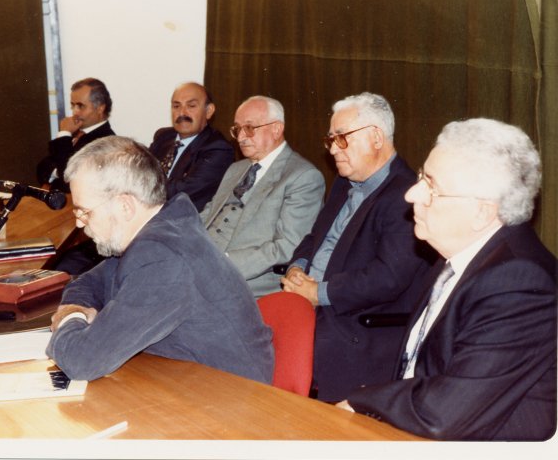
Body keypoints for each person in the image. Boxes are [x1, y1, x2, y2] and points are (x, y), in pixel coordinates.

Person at [338, 118, 557, 441]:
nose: (412, 194)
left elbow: (443, 413)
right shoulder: (463, 251)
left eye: (432, 187)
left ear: (482, 212)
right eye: (421, 177)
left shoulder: (520, 283)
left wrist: (360, 400)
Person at [45, 136, 274, 383]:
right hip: (184, 381)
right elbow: (85, 284)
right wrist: (78, 309)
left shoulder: (163, 257)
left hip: (232, 402)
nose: (79, 222)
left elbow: (81, 360)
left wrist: (69, 318)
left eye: (84, 211)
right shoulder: (153, 232)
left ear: (125, 206)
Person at [281, 92, 434, 402]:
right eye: (331, 139)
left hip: (359, 319)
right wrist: (297, 267)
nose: (334, 149)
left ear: (376, 137)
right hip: (310, 300)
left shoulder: (404, 193)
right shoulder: (343, 182)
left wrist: (318, 292)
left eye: (342, 138)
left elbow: (387, 277)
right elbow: (315, 237)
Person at [200, 95, 325, 299]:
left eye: (249, 128)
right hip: (202, 262)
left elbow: (288, 246)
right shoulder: (236, 169)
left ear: (276, 129)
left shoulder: (303, 176)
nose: (241, 137)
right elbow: (208, 214)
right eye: (237, 129)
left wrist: (221, 264)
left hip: (245, 279)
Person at [149, 82, 234, 211]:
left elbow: (184, 192)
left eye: (191, 106)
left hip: (181, 220)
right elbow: (141, 168)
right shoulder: (163, 136)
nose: (182, 113)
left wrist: (140, 182)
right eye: (176, 106)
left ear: (209, 111)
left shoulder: (218, 148)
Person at [36, 77, 115, 192]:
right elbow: (42, 167)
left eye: (80, 106)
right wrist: (59, 171)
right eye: (73, 105)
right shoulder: (76, 133)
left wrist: (64, 133)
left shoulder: (106, 141)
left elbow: (70, 180)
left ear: (100, 108)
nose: (75, 112)